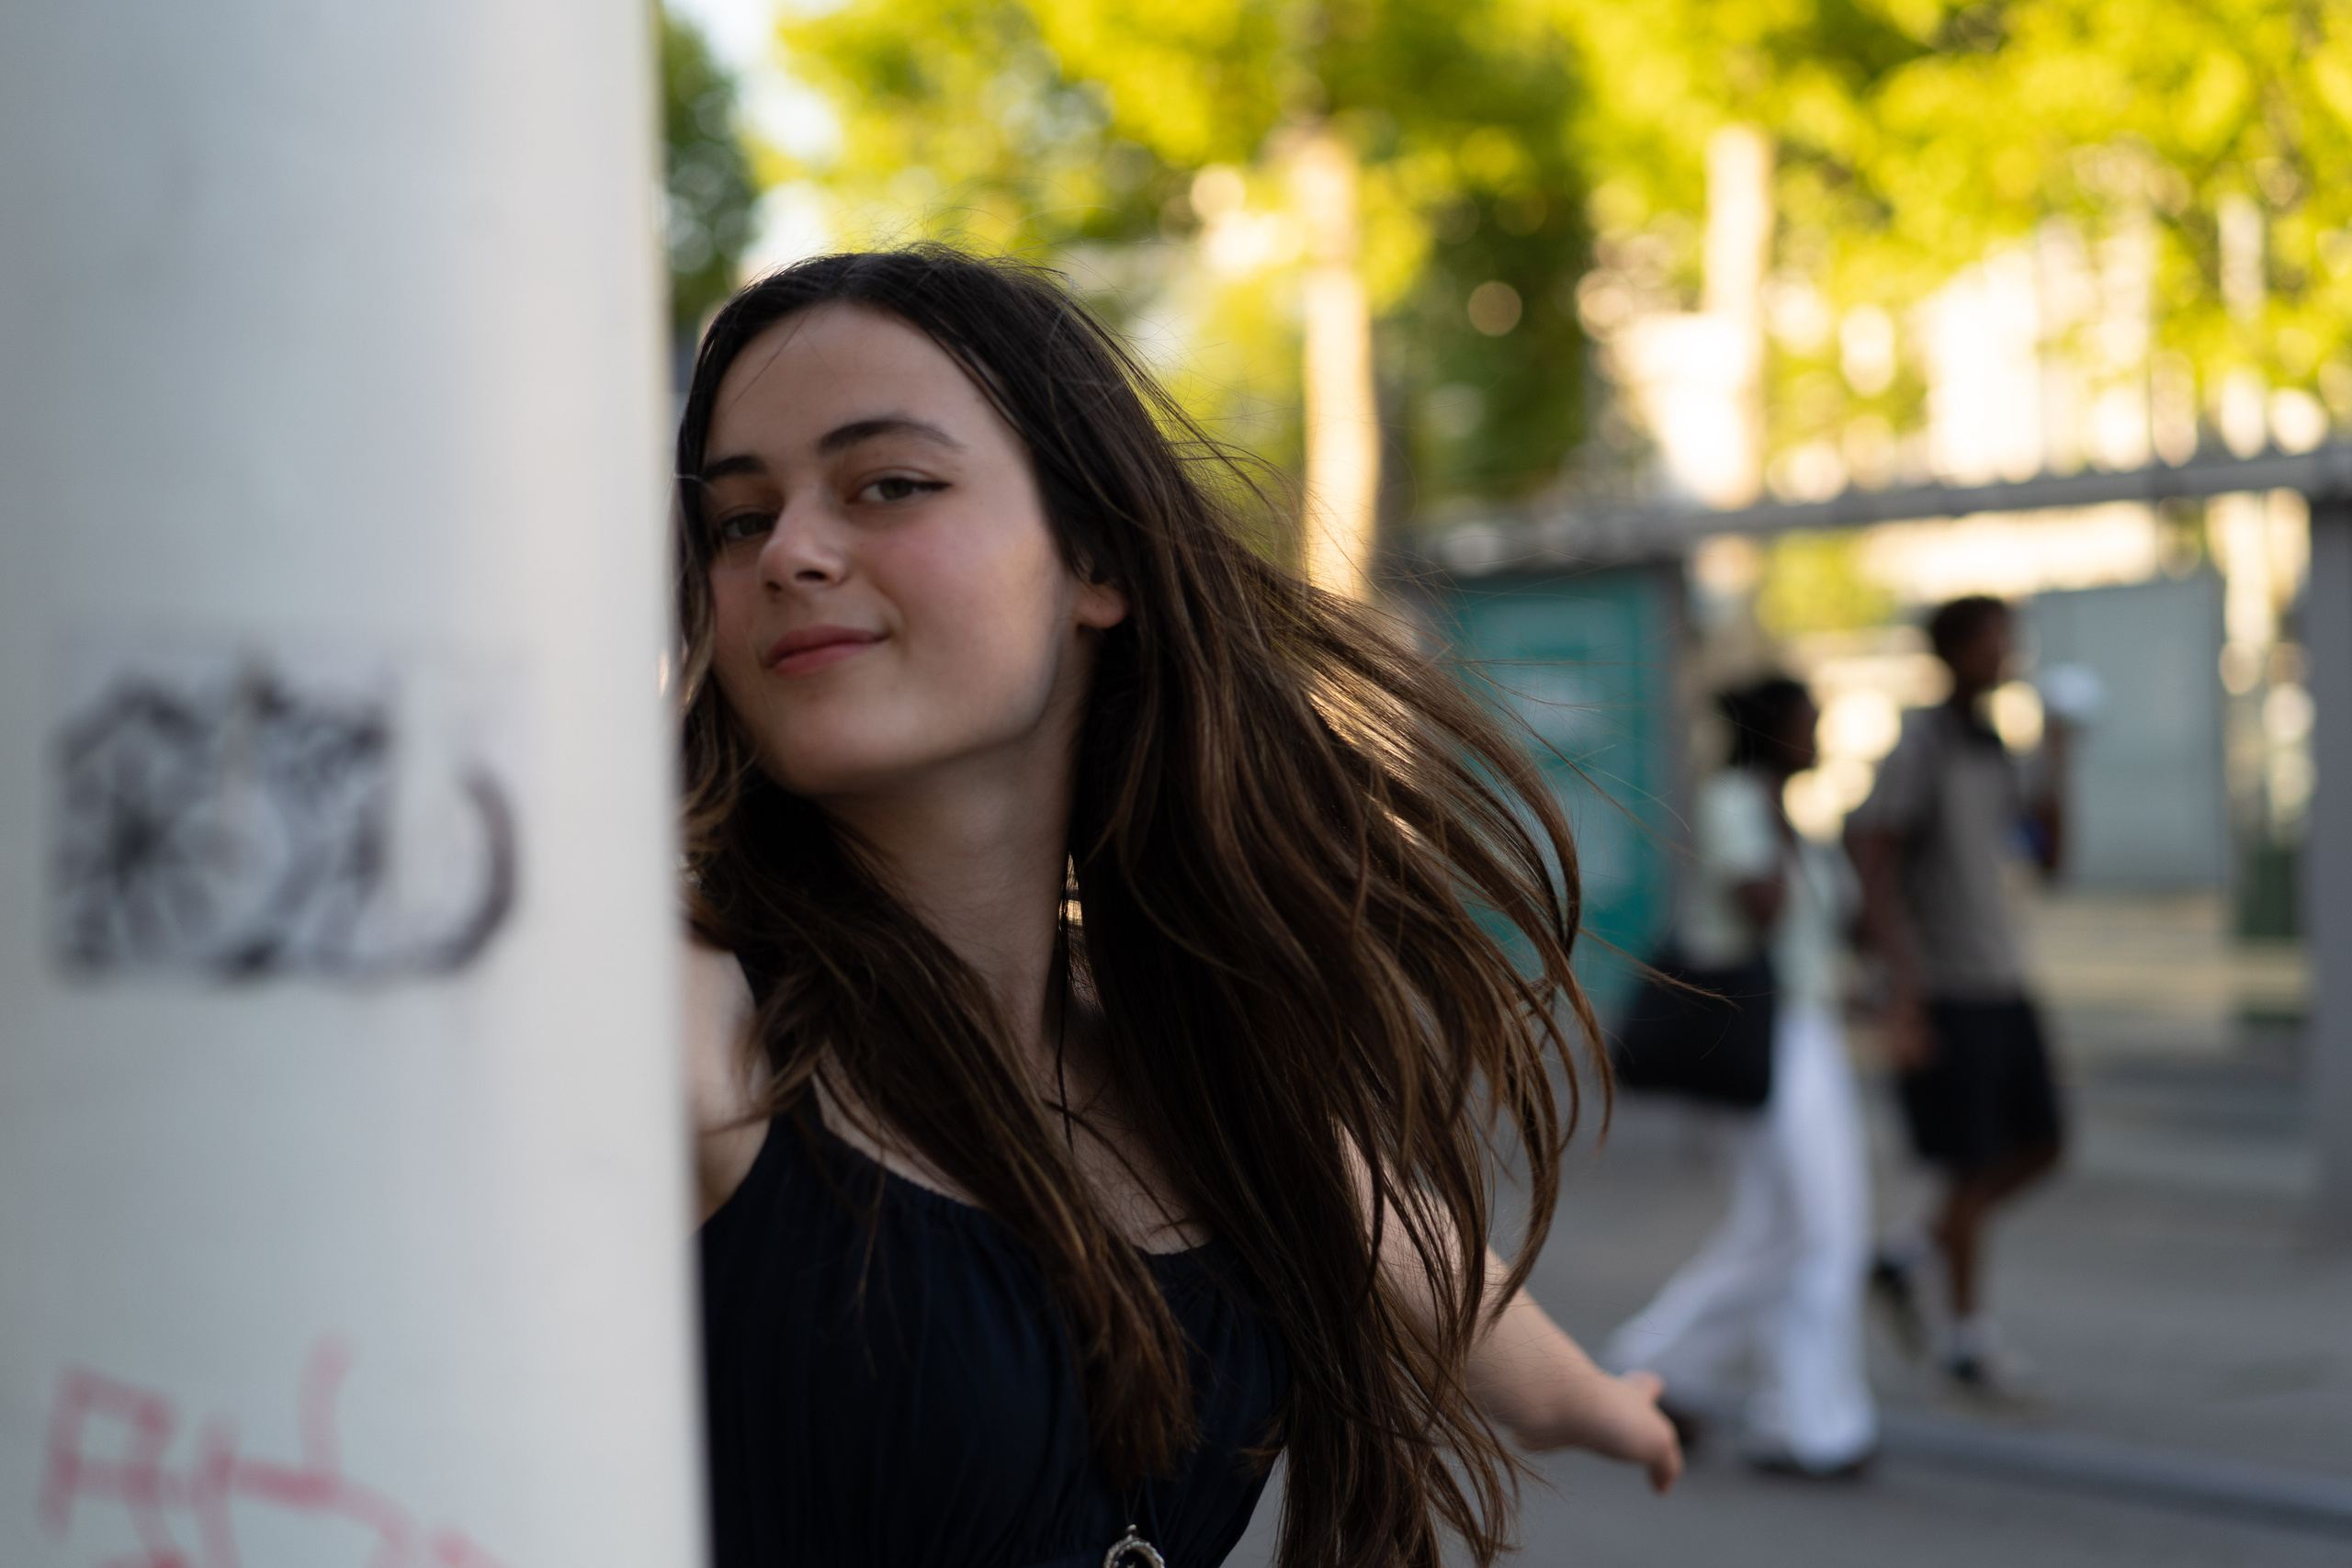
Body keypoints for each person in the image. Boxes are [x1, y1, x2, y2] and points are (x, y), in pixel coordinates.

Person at [673, 247, 1679, 1568]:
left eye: (888, 485)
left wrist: (1598, 1405)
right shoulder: (692, 1020)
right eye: (738, 520)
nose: (790, 552)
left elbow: (1433, 1273)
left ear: (1096, 559)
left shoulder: (1169, 1056)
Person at [1603, 677, 1877, 1477]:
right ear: (1771, 732)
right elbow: (1766, 909)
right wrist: (1775, 813)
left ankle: (1653, 1365)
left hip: (1810, 1030)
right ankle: (1809, 1425)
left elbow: (1836, 932)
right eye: (1806, 724)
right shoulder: (1734, 802)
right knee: (1820, 1229)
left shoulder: (1794, 815)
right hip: (1761, 1036)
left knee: (1781, 1227)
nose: (1818, 738)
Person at [1847, 594, 2068, 1393]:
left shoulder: (1996, 746)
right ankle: (1970, 1340)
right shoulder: (1923, 745)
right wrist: (1903, 989)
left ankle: (1907, 1255)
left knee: (2042, 1143)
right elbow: (1872, 860)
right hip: (1947, 986)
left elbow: (2049, 859)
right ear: (1951, 652)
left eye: (2010, 640)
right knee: (1972, 1164)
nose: (2005, 656)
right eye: (1991, 642)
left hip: (2002, 977)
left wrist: (2061, 761)